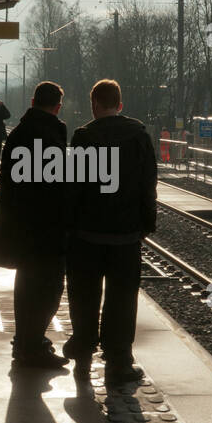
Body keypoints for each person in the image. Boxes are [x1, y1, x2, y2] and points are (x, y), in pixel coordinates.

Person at [63, 79, 157, 387]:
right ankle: (118, 362)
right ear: (120, 104)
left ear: (94, 104)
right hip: (126, 236)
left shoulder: (83, 137)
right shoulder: (139, 137)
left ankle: (84, 353)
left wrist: (71, 225)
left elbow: (72, 187)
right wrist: (146, 225)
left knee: (83, 296)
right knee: (122, 299)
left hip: (86, 235)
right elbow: (148, 186)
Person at [0, 81, 68, 370]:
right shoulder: (47, 134)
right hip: (44, 229)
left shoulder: (21, 132)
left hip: (21, 226)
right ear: (57, 105)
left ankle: (26, 342)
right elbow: (54, 186)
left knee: (27, 288)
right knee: (48, 289)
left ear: (33, 101)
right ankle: (32, 346)